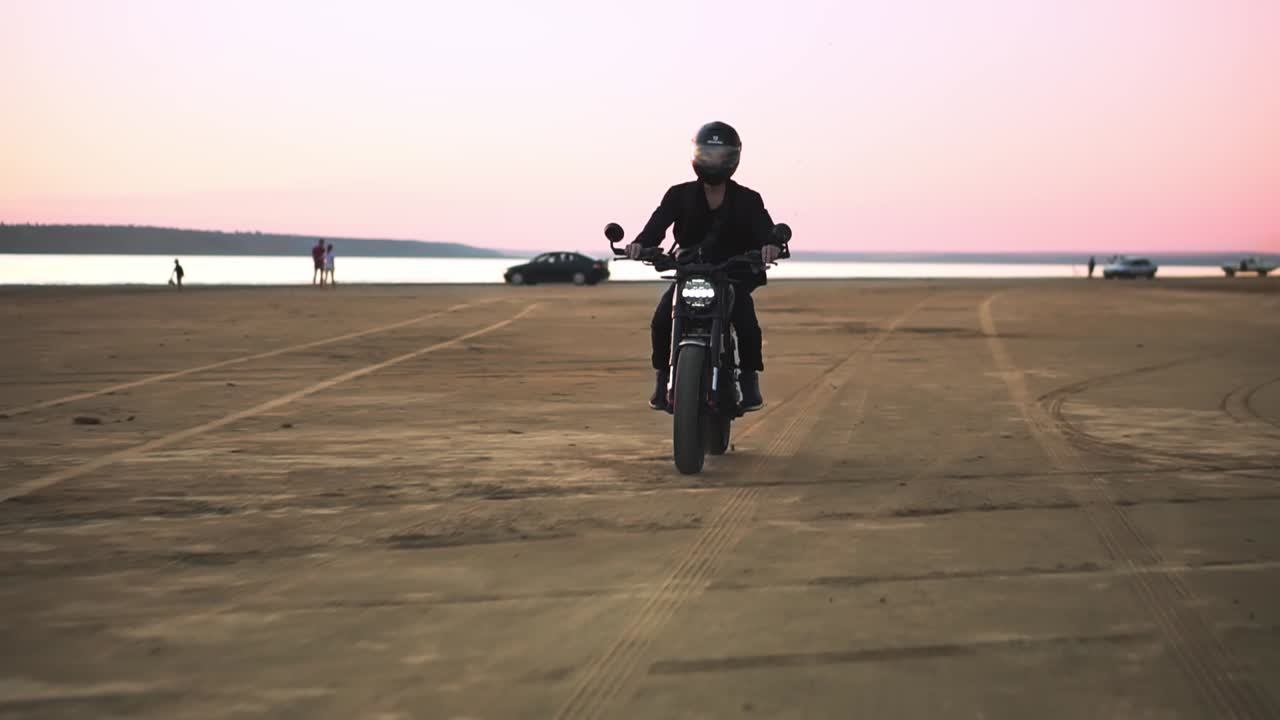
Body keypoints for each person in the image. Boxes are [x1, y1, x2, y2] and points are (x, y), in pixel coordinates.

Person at [625, 121, 782, 412]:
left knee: (747, 323)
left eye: (720, 155)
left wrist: (770, 246)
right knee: (662, 320)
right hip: (689, 272)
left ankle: (749, 378)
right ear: (697, 156)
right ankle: (663, 379)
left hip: (731, 274)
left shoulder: (749, 199)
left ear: (733, 159)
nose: (713, 161)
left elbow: (767, 232)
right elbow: (656, 227)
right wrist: (638, 245)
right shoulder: (678, 195)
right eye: (708, 154)